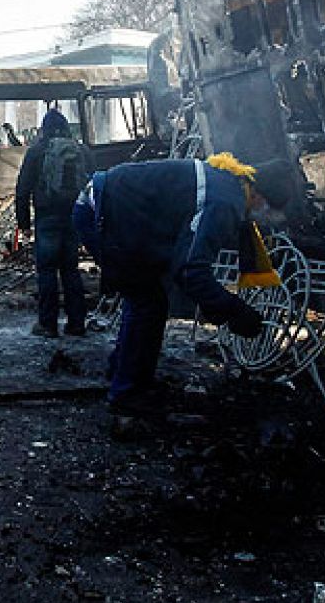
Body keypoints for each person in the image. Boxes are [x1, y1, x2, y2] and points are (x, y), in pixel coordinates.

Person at [73, 153, 296, 440]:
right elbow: (191, 270)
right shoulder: (224, 202)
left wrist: (218, 307)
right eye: (269, 211)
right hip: (101, 212)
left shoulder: (228, 183)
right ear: (258, 196)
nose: (265, 218)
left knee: (147, 300)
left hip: (101, 205)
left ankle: (124, 375)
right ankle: (126, 396)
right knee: (147, 303)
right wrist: (233, 311)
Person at [14, 108, 92, 338]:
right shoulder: (82, 151)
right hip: (74, 217)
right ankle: (77, 324)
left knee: (47, 270)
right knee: (70, 269)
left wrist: (24, 224)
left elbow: (22, 190)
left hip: (47, 216)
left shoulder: (37, 151)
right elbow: (93, 187)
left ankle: (48, 325)